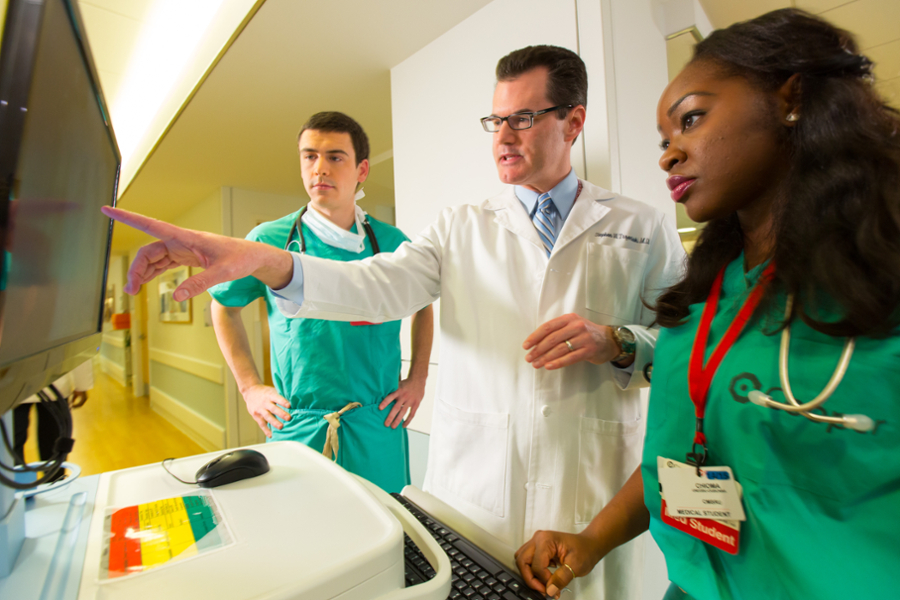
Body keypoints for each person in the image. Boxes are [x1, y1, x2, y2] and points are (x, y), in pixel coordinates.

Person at [102, 45, 684, 599]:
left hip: (588, 487)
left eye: (523, 119)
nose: (502, 137)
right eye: (495, 120)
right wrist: (267, 260)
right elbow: (374, 285)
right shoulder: (460, 226)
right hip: (482, 492)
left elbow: (685, 344)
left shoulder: (642, 226)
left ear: (573, 121)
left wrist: (619, 342)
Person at [514, 9, 900, 600]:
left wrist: (612, 340)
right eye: (664, 141)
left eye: (692, 119)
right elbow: (680, 461)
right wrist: (590, 541)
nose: (668, 156)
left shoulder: (883, 281)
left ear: (790, 99)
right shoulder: (697, 301)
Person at [209, 112, 433, 494]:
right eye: (309, 156)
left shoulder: (392, 242)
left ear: (361, 169)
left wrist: (418, 379)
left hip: (377, 422)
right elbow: (224, 307)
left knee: (390, 531)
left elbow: (424, 304)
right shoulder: (271, 239)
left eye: (335, 157)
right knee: (305, 535)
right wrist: (249, 388)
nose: (320, 168)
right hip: (298, 423)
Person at [13, 359, 92, 479]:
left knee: (12, 446)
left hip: (12, 384)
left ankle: (17, 492)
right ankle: (54, 487)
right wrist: (81, 383)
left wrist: (82, 383)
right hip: (53, 380)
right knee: (53, 444)